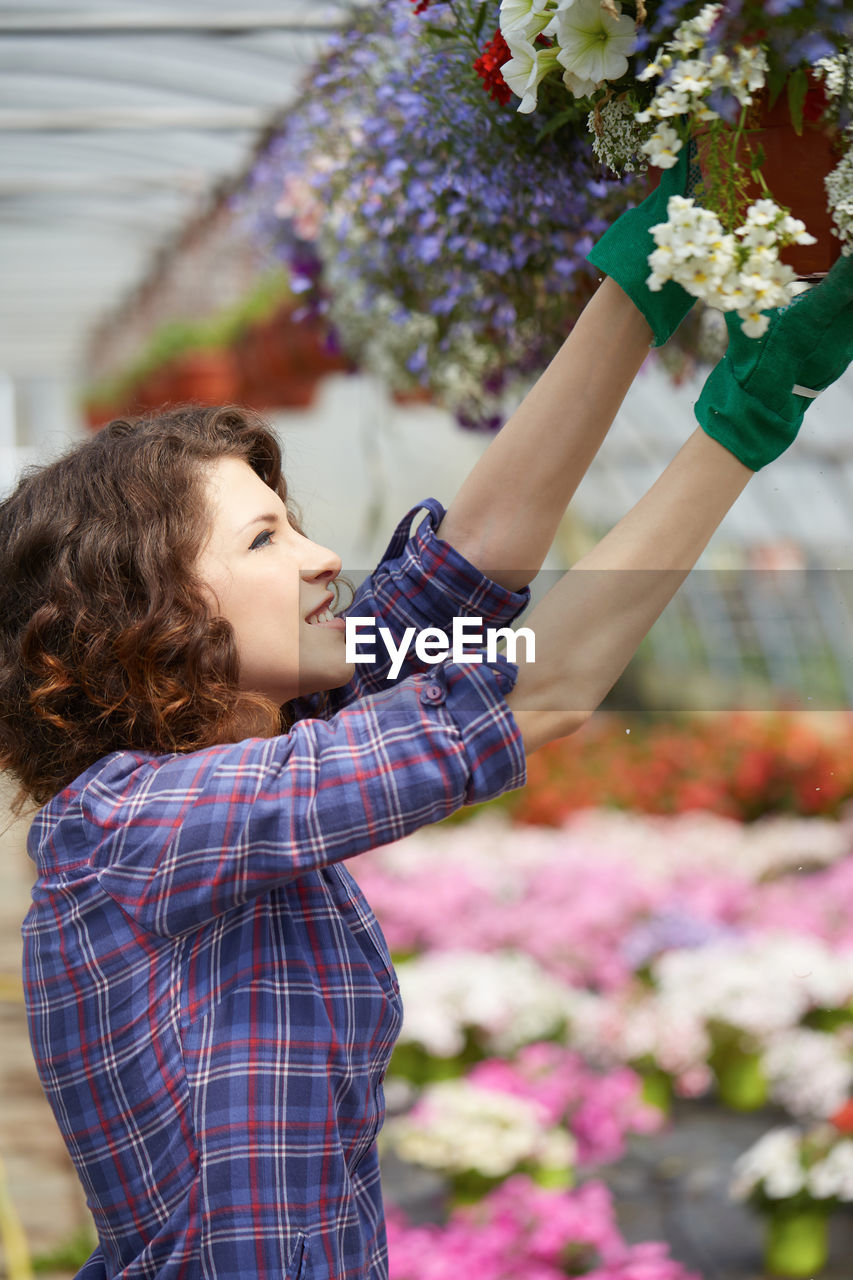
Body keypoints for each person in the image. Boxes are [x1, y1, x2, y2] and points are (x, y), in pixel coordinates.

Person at [2, 147, 852, 1280]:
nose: (323, 556)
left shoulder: (268, 727)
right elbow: (532, 685)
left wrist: (648, 272)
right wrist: (747, 415)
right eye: (263, 540)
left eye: (291, 521)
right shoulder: (128, 826)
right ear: (144, 616)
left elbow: (464, 574)